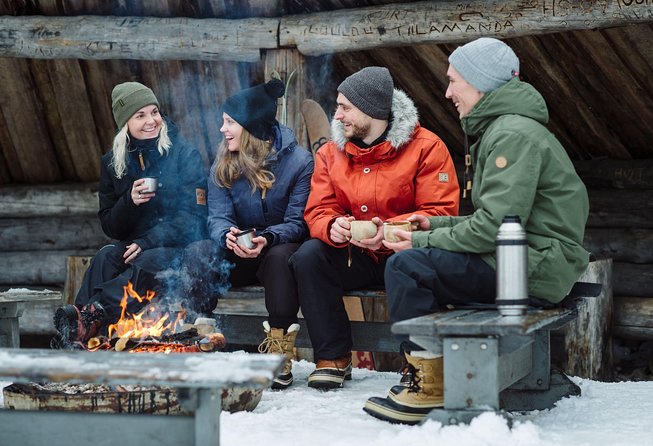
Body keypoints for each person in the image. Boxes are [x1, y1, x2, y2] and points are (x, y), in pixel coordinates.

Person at [363, 37, 590, 424]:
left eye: (454, 81)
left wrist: (419, 240)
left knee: (408, 267)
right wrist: (433, 223)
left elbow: (494, 229)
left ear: (480, 83)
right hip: (529, 260)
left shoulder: (511, 135)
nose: (448, 92)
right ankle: (437, 372)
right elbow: (498, 220)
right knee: (420, 261)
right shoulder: (507, 129)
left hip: (530, 270)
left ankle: (431, 385)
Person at [288, 66, 460, 390]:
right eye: (338, 106)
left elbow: (440, 211)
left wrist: (391, 230)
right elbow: (319, 209)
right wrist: (333, 226)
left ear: (371, 110)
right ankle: (334, 357)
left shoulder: (427, 147)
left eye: (345, 107)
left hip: (404, 252)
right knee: (307, 257)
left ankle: (418, 365)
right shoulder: (329, 154)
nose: (337, 116)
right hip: (356, 255)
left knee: (408, 265)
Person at [52, 81, 209, 349]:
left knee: (146, 259)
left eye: (154, 112)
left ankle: (95, 313)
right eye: (140, 115)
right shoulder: (114, 162)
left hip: (177, 246)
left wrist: (147, 241)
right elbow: (110, 225)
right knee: (105, 257)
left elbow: (194, 218)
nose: (151, 121)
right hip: (135, 244)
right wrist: (129, 201)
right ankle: (76, 334)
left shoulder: (184, 154)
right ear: (126, 122)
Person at [184, 78, 314, 389]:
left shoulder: (300, 163)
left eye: (230, 122)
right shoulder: (224, 163)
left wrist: (267, 238)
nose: (222, 129)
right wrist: (225, 235)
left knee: (282, 257)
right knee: (200, 250)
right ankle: (201, 334)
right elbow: (216, 216)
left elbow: (298, 222)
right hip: (237, 254)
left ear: (252, 125)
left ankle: (280, 349)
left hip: (275, 251)